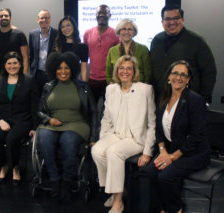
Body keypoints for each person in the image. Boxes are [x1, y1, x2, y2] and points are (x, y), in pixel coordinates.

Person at [144, 60, 210, 213]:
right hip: (171, 149)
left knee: (165, 177)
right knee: (150, 172)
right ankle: (164, 207)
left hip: (194, 152)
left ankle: (175, 209)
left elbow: (196, 137)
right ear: (169, 76)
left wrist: (172, 157)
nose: (178, 77)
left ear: (188, 80)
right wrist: (162, 151)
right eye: (175, 73)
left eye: (183, 75)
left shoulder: (195, 100)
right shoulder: (164, 96)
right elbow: (159, 129)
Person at [91, 55, 156, 213]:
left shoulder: (146, 89)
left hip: (135, 138)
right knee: (97, 151)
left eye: (129, 68)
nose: (125, 71)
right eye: (121, 68)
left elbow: (152, 123)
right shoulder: (110, 89)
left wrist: (148, 152)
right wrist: (103, 139)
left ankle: (118, 201)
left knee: (114, 152)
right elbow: (106, 119)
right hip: (115, 134)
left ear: (134, 72)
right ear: (116, 71)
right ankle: (116, 189)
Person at [37, 52, 98, 200]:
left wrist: (94, 136)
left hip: (77, 124)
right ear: (53, 70)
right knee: (44, 138)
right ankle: (54, 179)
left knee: (68, 142)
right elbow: (40, 110)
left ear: (72, 69)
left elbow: (93, 112)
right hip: (52, 125)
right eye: (59, 68)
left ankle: (67, 181)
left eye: (66, 68)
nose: (63, 71)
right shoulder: (48, 86)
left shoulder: (83, 86)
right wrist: (48, 119)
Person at [0, 51, 39, 186]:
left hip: (22, 120)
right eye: (9, 63)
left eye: (15, 63)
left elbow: (35, 106)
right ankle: (3, 165)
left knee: (11, 139)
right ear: (4, 65)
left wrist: (34, 127)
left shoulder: (29, 81)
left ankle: (15, 167)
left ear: (20, 64)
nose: (12, 66)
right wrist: (0, 120)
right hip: (3, 120)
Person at [150, 4, 217, 103]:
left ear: (183, 19)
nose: (172, 22)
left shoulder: (197, 42)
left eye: (176, 18)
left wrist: (203, 99)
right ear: (162, 21)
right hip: (160, 100)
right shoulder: (156, 40)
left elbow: (209, 72)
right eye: (168, 19)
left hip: (187, 101)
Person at [83, 5, 119, 102]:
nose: (101, 15)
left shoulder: (116, 34)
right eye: (99, 13)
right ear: (95, 15)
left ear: (109, 15)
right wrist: (84, 80)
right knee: (90, 110)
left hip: (109, 80)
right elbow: (84, 58)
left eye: (104, 13)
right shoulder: (87, 33)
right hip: (92, 79)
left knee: (109, 110)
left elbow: (119, 60)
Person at [106, 19, 151, 84]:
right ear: (119, 31)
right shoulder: (112, 51)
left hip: (139, 88)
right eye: (123, 29)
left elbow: (148, 73)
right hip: (118, 89)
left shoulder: (143, 49)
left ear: (134, 32)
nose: (126, 32)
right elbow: (109, 74)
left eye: (130, 29)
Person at [0, 8, 29, 75]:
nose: (3, 18)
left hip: (17, 73)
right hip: (1, 73)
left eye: (6, 15)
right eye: (1, 16)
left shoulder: (19, 34)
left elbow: (25, 57)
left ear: (10, 18)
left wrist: (24, 75)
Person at [29, 9, 58, 93]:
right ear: (38, 20)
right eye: (42, 18)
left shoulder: (57, 33)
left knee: (51, 96)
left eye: (47, 18)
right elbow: (31, 54)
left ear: (50, 19)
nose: (44, 20)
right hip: (37, 73)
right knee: (37, 96)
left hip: (52, 73)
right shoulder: (32, 34)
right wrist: (31, 70)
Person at [55, 16, 88, 81]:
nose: (65, 28)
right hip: (59, 80)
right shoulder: (57, 46)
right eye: (62, 27)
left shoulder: (83, 47)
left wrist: (84, 85)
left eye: (68, 25)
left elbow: (83, 68)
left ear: (74, 27)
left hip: (75, 80)